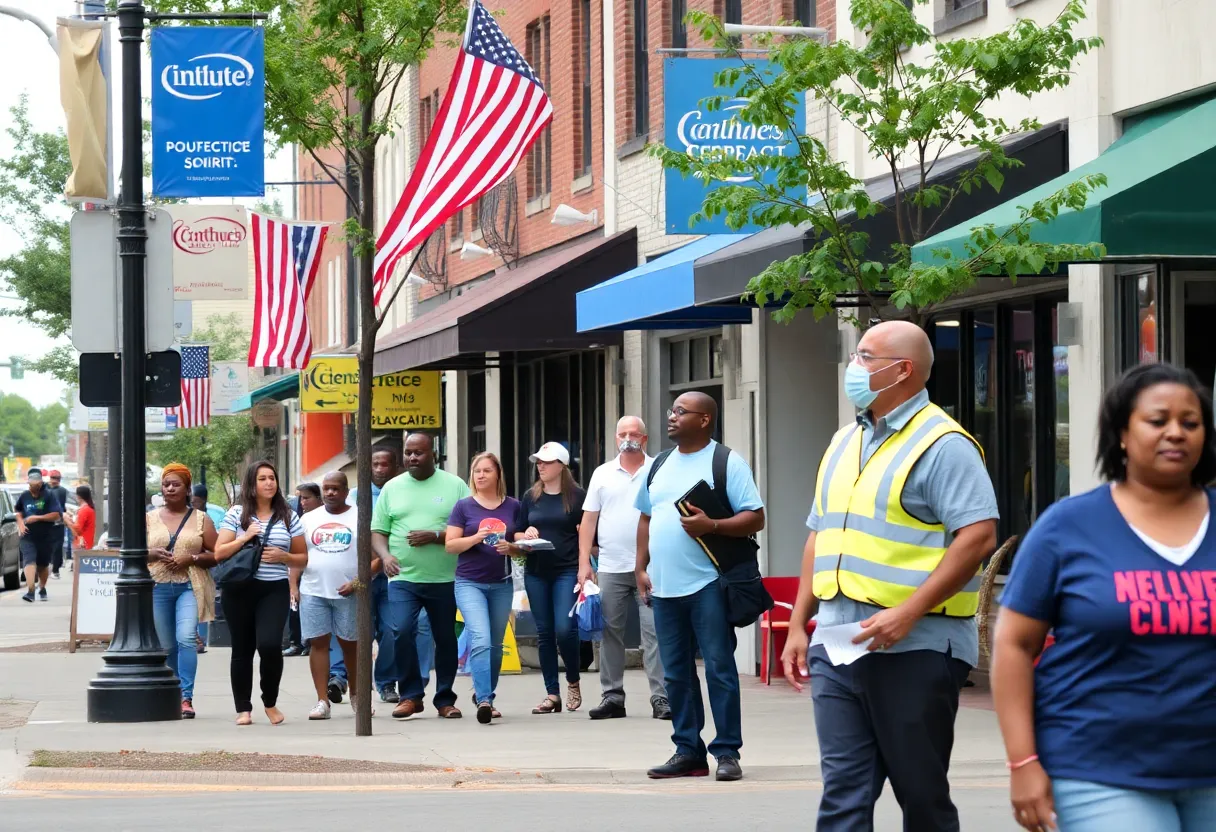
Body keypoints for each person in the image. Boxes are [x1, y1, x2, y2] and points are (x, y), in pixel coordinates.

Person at [781, 320, 998, 830]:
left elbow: (979, 536)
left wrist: (908, 612)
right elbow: (820, 534)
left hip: (915, 646)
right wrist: (797, 624)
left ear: (901, 371)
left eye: (864, 356)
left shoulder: (944, 444)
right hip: (838, 643)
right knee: (843, 796)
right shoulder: (843, 440)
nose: (852, 367)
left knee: (920, 797)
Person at [993, 363, 1216, 832]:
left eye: (1190, 423)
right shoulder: (1067, 527)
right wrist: (1022, 761)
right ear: (1121, 433)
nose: (1175, 433)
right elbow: (1013, 645)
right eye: (1158, 421)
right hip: (1097, 768)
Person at [636, 392, 764, 782]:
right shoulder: (658, 464)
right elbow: (646, 517)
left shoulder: (725, 461)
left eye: (680, 411)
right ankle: (688, 751)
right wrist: (640, 566)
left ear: (705, 419)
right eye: (670, 410)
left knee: (719, 669)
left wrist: (713, 526)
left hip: (709, 584)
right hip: (664, 588)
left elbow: (755, 518)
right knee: (675, 673)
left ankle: (726, 751)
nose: (671, 417)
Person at [579, 416, 670, 721]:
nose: (628, 438)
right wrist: (584, 565)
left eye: (634, 433)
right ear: (616, 439)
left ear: (645, 438)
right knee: (609, 634)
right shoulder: (602, 474)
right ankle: (612, 697)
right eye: (623, 434)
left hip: (652, 567)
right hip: (611, 566)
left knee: (655, 633)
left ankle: (661, 698)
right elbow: (588, 520)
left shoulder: (660, 469)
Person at [376, 433, 469, 720]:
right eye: (408, 453)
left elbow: (468, 528)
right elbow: (378, 531)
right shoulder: (392, 488)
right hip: (403, 577)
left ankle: (444, 699)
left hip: (444, 578)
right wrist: (385, 556)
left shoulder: (454, 485)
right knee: (401, 630)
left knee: (444, 638)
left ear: (433, 454)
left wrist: (437, 536)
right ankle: (411, 695)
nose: (412, 458)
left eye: (419, 453)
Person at [214, 461, 308, 726]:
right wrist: (245, 538)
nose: (269, 483)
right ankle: (243, 708)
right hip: (239, 588)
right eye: (262, 478)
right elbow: (219, 553)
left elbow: (302, 559)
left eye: (272, 478)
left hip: (273, 589)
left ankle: (270, 702)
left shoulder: (288, 515)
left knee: (269, 645)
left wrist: (284, 555)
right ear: (251, 484)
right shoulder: (236, 513)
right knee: (242, 649)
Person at [339, 446, 430, 705]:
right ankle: (344, 678)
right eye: (374, 464)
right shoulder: (354, 496)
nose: (379, 469)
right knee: (355, 630)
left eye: (384, 464)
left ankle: (386, 682)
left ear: (396, 467)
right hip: (362, 573)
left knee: (393, 629)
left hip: (394, 571)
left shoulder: (406, 491)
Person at [511, 441, 585, 715]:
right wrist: (526, 533)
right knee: (544, 632)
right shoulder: (531, 496)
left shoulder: (578, 497)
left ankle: (573, 680)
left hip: (567, 569)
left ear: (561, 466)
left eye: (546, 462)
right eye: (538, 462)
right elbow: (516, 533)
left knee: (566, 629)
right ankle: (551, 693)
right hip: (537, 571)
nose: (540, 466)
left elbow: (590, 534)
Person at [446, 451, 520, 724]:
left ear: (498, 474)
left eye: (487, 471)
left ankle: (486, 694)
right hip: (469, 583)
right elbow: (451, 544)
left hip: (502, 583)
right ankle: (485, 699)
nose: (481, 475)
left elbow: (521, 543)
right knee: (481, 638)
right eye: (477, 471)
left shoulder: (513, 506)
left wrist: (513, 546)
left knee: (496, 645)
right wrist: (476, 537)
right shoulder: (463, 507)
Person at [302, 472, 376, 720]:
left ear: (346, 491)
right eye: (326, 488)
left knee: (351, 645)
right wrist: (293, 586)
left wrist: (357, 583)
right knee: (318, 644)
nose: (330, 493)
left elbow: (376, 558)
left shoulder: (360, 516)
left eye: (335, 488)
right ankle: (322, 701)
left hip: (350, 591)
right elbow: (298, 555)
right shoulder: (309, 518)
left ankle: (357, 696)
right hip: (313, 589)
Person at [148, 463, 219, 719]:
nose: (169, 488)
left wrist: (192, 558)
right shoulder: (149, 518)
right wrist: (152, 553)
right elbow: (133, 555)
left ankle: (186, 697)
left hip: (189, 586)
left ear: (187, 489)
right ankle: (174, 693)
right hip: (157, 587)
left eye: (175, 484)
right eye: (166, 484)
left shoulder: (201, 519)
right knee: (167, 646)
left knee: (186, 638)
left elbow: (216, 554)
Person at [284, 483, 323, 658]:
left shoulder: (326, 517)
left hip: (321, 575)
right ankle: (296, 642)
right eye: (301, 498)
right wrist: (293, 584)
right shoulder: (301, 519)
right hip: (301, 570)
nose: (302, 502)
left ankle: (310, 642)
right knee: (295, 606)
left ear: (318, 499)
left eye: (307, 498)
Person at [18, 468, 62, 603]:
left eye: (35, 485)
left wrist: (38, 517)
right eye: (30, 485)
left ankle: (42, 587)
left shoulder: (49, 496)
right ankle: (31, 591)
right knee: (29, 560)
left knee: (43, 564)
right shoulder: (24, 496)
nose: (32, 488)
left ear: (40, 484)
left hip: (45, 535)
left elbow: (56, 515)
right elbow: (18, 512)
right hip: (28, 535)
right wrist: (20, 523)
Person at [46, 470, 69, 579]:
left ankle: (55, 568)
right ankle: (53, 568)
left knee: (57, 546)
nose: (55, 480)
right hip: (49, 522)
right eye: (54, 478)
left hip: (55, 522)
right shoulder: (45, 489)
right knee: (52, 546)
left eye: (57, 478)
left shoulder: (61, 491)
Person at [70, 484, 96, 550]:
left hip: (82, 544)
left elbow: (78, 530)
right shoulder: (87, 508)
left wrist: (67, 521)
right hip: (85, 543)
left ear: (78, 496)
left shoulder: (84, 510)